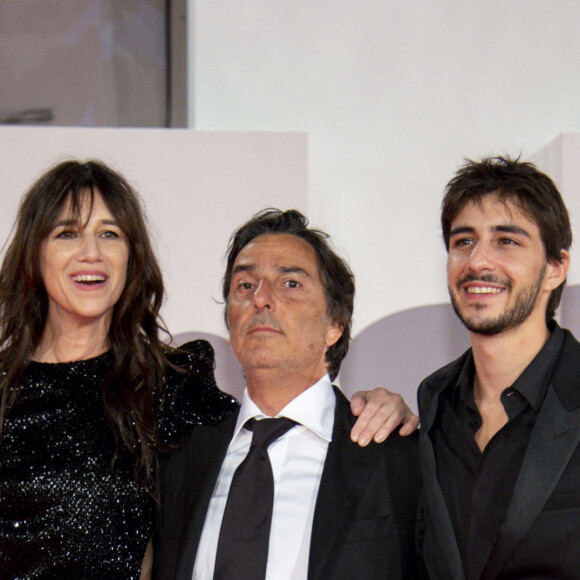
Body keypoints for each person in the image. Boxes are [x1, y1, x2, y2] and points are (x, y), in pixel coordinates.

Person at [0, 161, 415, 579]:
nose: (90, 252)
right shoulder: (7, 391)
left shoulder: (170, 390)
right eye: (67, 232)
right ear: (34, 252)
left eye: (109, 233)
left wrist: (387, 406)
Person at [154, 209, 422, 579]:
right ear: (230, 327)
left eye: (290, 284)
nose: (261, 299)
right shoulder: (179, 460)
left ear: (335, 325)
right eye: (245, 285)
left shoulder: (398, 456)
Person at [417, 156, 580, 579]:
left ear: (555, 268)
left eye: (507, 241)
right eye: (463, 241)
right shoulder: (432, 406)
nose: (478, 261)